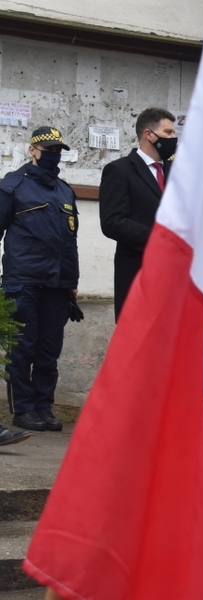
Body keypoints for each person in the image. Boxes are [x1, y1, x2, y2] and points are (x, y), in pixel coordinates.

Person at [0, 126, 80, 432]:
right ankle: (23, 410)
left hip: (57, 285)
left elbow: (70, 241)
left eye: (58, 152)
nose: (54, 156)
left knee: (49, 350)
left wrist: (71, 282)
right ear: (33, 150)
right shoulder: (13, 186)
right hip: (24, 281)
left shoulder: (64, 191)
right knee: (23, 348)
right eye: (49, 151)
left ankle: (44, 407)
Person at [99, 108, 177, 320]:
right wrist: (157, 239)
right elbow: (112, 221)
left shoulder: (178, 172)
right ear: (148, 134)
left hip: (175, 278)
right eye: (168, 132)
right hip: (139, 274)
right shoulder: (120, 171)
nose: (173, 138)